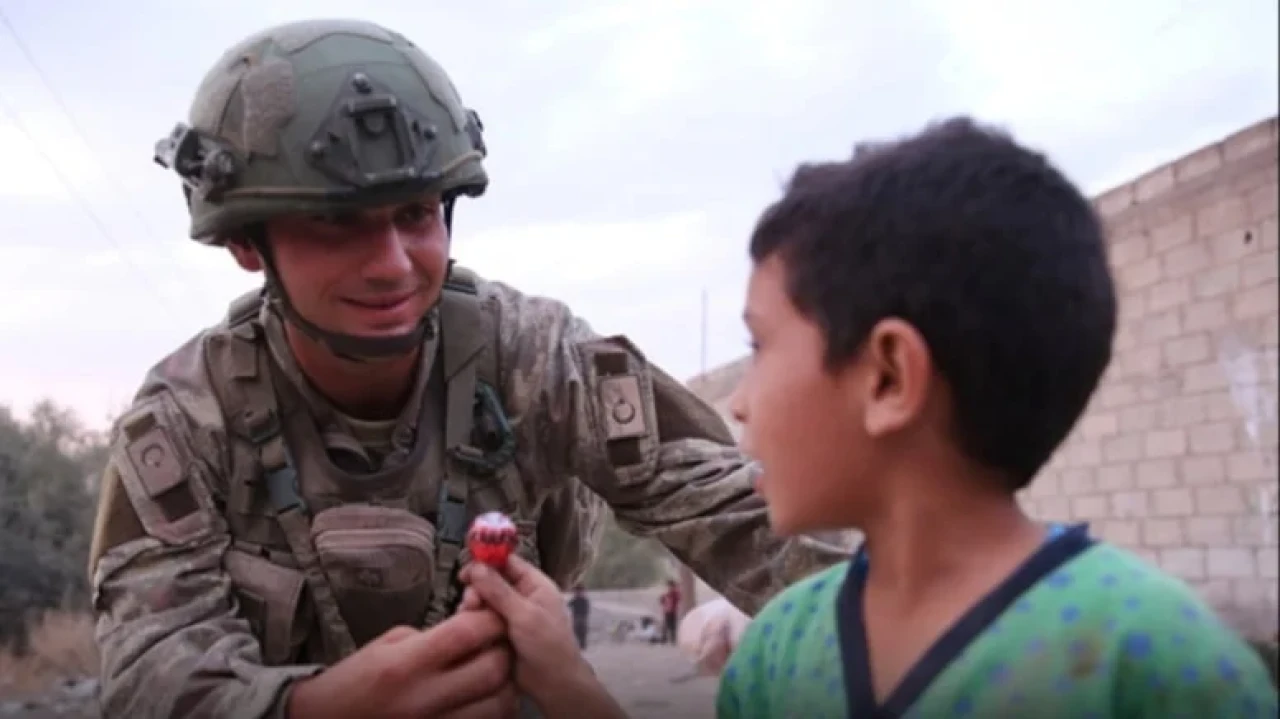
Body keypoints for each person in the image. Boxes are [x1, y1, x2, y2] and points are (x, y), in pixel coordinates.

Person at [84, 18, 845, 719]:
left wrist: (921, 631)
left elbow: (747, 516)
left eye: (417, 214)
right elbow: (151, 672)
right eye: (336, 223)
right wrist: (315, 706)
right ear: (247, 245)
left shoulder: (537, 358)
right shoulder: (189, 416)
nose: (392, 265)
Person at [457, 117, 1280, 718]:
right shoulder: (779, 653)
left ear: (888, 376)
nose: (737, 402)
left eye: (762, 344)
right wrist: (569, 688)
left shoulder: (1159, 667)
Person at [567, 585, 591, 650]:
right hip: (578, 617)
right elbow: (568, 605)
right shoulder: (575, 600)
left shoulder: (583, 600)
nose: (577, 593)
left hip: (581, 617)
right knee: (577, 631)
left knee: (582, 631)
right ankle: (580, 645)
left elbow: (586, 609)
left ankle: (582, 645)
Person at [659, 579, 681, 644]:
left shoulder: (675, 593)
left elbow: (678, 599)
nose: (669, 588)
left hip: (673, 611)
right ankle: (664, 639)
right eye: (669, 586)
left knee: (672, 625)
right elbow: (661, 600)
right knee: (666, 625)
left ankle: (672, 639)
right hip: (667, 611)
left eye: (671, 586)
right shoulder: (666, 594)